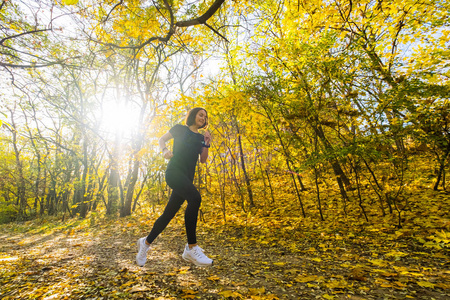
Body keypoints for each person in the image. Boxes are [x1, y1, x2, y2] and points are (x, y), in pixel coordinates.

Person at [136, 107, 213, 267]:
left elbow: (203, 160)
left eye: (205, 117)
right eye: (200, 114)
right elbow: (161, 139)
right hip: (174, 172)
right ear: (193, 116)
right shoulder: (179, 129)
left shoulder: (200, 138)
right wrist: (164, 150)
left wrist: (206, 144)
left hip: (186, 179)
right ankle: (191, 247)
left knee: (168, 214)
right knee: (195, 198)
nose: (203, 118)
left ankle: (146, 242)